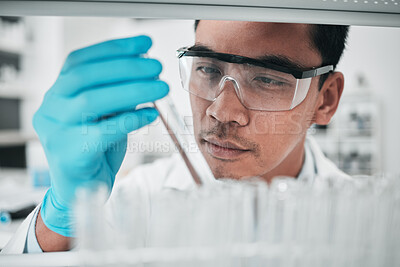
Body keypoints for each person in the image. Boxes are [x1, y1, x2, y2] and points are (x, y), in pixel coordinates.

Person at [2, 20, 350, 254]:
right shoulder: (139, 198)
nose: (221, 111)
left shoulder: (366, 219)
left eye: (269, 79)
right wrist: (62, 213)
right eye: (208, 69)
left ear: (326, 99)